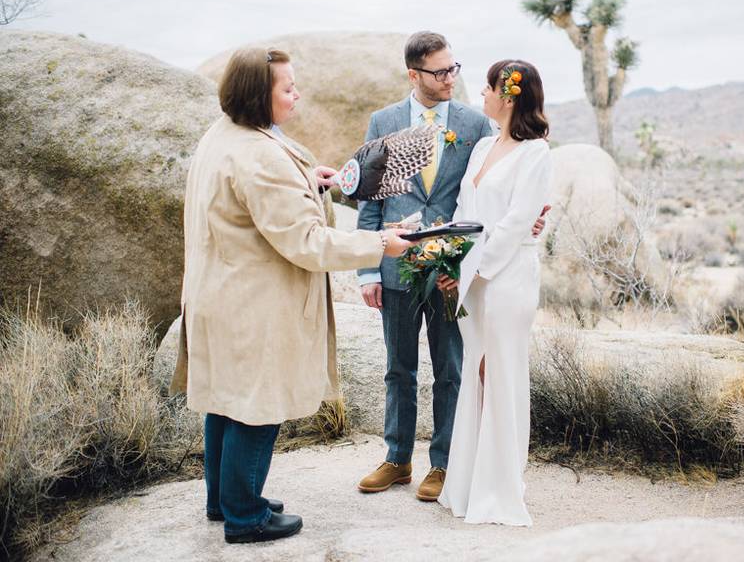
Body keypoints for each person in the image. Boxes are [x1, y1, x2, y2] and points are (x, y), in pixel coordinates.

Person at [169, 47, 411, 544]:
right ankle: (246, 517)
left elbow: (258, 207)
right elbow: (306, 242)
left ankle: (224, 499)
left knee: (226, 401)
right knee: (258, 406)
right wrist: (380, 244)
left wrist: (312, 181)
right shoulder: (259, 156)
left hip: (221, 294)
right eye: (287, 87)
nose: (297, 93)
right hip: (255, 304)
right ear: (261, 95)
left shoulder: (226, 136)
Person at [355, 32, 547, 502]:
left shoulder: (473, 124)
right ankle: (397, 458)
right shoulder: (384, 121)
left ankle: (443, 463)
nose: (449, 80)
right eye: (439, 72)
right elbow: (369, 197)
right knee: (398, 368)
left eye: (453, 69)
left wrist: (532, 223)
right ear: (413, 75)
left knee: (451, 368)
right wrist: (367, 269)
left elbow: (505, 182)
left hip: (452, 269)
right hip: (398, 266)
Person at [437, 60, 553, 526]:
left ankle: (500, 487)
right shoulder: (484, 144)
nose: (481, 94)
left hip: (506, 280)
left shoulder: (536, 154)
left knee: (501, 374)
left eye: (487, 87)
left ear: (508, 96)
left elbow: (518, 221)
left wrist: (472, 269)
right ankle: (466, 484)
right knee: (475, 373)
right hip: (474, 278)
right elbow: (467, 212)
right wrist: (448, 260)